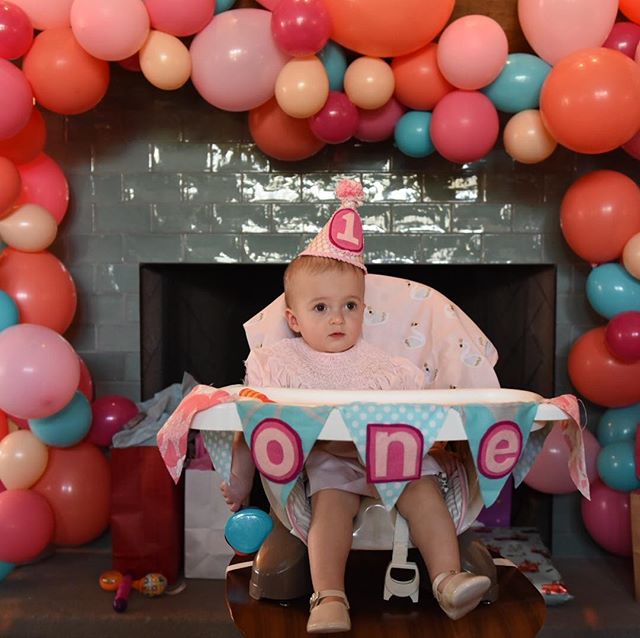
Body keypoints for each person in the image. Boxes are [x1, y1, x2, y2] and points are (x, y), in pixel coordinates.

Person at [221, 180, 490, 633]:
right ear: (293, 319)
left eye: (350, 305)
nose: (338, 318)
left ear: (365, 309)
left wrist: (439, 441)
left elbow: (424, 417)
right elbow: (254, 420)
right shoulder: (281, 362)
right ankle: (329, 596)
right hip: (331, 458)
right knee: (331, 506)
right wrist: (240, 477)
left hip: (394, 455)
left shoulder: (389, 367)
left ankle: (448, 579)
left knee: (424, 495)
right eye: (321, 307)